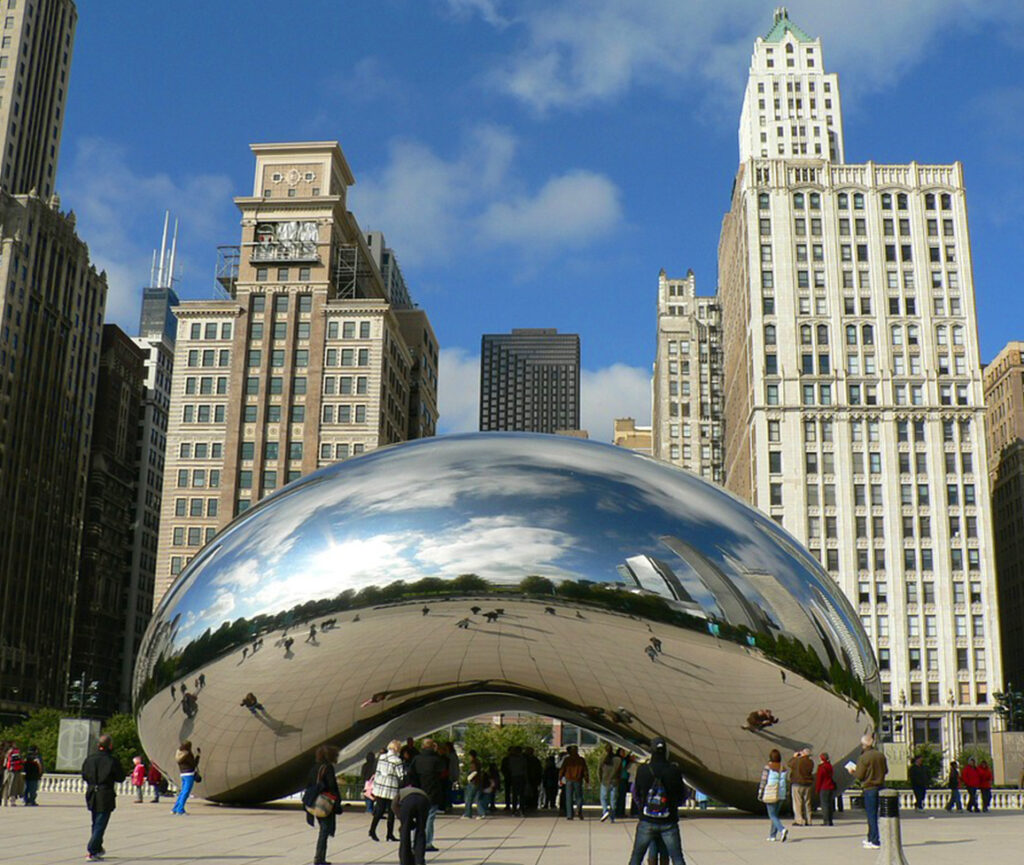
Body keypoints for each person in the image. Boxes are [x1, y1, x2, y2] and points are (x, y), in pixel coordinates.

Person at [626, 737, 689, 865]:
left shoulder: (643, 770)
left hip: (647, 819)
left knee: (636, 857)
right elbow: (682, 794)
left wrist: (642, 806)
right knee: (677, 858)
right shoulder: (674, 771)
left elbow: (636, 793)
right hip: (669, 821)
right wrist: (673, 806)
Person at [81, 734, 126, 861]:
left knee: (95, 821)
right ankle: (92, 848)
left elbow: (84, 775)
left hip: (91, 792)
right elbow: (120, 777)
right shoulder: (111, 760)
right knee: (101, 822)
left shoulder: (89, 759)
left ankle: (97, 848)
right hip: (105, 792)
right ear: (110, 746)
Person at [305, 744, 341, 865]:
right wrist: (337, 801)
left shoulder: (315, 767)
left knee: (323, 830)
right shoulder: (328, 767)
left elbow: (309, 785)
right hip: (324, 803)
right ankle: (319, 858)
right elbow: (331, 785)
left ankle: (320, 857)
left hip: (315, 801)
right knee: (324, 831)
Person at [408, 738, 446, 853]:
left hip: (419, 792)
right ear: (432, 746)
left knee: (419, 817)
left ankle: (416, 842)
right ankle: (427, 842)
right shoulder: (436, 759)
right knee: (430, 818)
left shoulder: (417, 759)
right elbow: (443, 773)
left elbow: (410, 773)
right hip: (433, 792)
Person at [853, 733, 887, 850]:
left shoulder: (863, 757)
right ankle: (870, 837)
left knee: (871, 815)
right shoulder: (880, 755)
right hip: (881, 786)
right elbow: (886, 770)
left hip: (869, 788)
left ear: (863, 745)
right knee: (878, 815)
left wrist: (853, 772)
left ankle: (874, 840)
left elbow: (859, 775)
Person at [370, 739, 403, 841]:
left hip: (380, 787)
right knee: (392, 812)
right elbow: (400, 775)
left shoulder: (382, 757)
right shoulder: (397, 761)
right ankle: (389, 834)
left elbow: (378, 771)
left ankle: (372, 830)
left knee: (379, 810)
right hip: (391, 788)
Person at [393, 784, 430, 865]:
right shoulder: (421, 791)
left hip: (408, 802)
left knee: (405, 833)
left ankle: (405, 861)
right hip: (423, 801)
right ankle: (419, 861)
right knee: (420, 832)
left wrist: (404, 821)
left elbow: (394, 806)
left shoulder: (400, 792)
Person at [757, 748, 789, 841]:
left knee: (772, 815)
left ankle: (782, 829)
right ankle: (772, 835)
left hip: (771, 792)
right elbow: (786, 781)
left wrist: (760, 792)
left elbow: (764, 780)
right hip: (781, 793)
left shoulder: (768, 767)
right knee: (775, 815)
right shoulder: (783, 768)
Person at [559, 744, 589, 820]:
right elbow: (585, 771)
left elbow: (562, 769)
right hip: (578, 780)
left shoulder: (567, 760)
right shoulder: (581, 760)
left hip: (569, 780)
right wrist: (587, 780)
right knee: (579, 797)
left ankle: (569, 815)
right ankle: (579, 810)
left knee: (569, 798)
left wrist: (560, 778)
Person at [172, 740, 200, 814]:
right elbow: (194, 764)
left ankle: (175, 808)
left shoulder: (179, 753)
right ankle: (180, 809)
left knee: (182, 792)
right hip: (189, 774)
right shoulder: (188, 754)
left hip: (183, 774)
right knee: (186, 792)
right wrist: (198, 756)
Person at [787, 748, 814, 826]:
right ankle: (809, 820)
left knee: (797, 803)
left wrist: (794, 757)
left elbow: (789, 764)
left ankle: (799, 820)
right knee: (807, 803)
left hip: (798, 783)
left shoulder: (798, 761)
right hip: (807, 784)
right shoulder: (810, 762)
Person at [599, 744, 622, 822]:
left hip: (605, 781)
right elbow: (620, 772)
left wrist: (600, 779)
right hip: (615, 781)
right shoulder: (618, 760)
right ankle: (612, 817)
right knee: (613, 800)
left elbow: (599, 770)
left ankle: (605, 810)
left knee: (603, 798)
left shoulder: (603, 759)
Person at [815, 752, 836, 826]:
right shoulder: (829, 766)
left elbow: (819, 779)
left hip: (824, 787)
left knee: (824, 805)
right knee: (829, 804)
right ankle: (830, 820)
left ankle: (826, 820)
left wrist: (817, 789)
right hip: (830, 786)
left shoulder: (822, 767)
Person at [462, 749, 484, 819]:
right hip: (479, 782)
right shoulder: (478, 762)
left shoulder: (473, 762)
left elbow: (475, 771)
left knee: (468, 798)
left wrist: (469, 778)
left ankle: (468, 814)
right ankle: (481, 813)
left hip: (473, 782)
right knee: (477, 799)